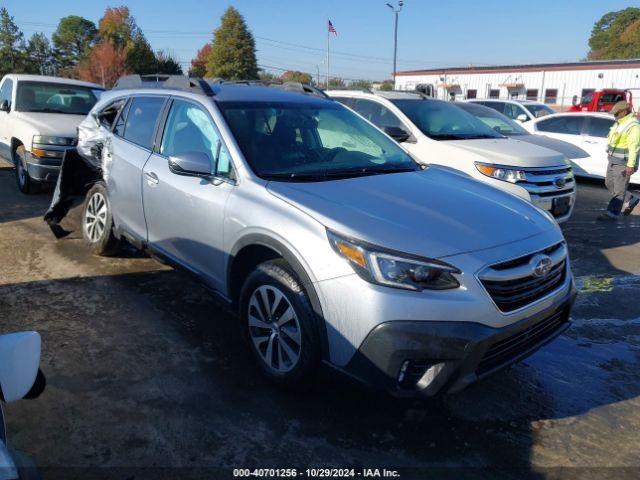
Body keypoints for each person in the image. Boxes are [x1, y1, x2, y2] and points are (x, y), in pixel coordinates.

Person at [598, 101, 640, 220]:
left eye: (616, 113)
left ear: (624, 112)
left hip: (623, 163)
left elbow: (634, 147)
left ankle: (612, 214)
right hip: (613, 160)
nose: (614, 115)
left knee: (619, 191)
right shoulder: (619, 123)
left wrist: (630, 165)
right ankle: (631, 199)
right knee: (609, 183)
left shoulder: (633, 126)